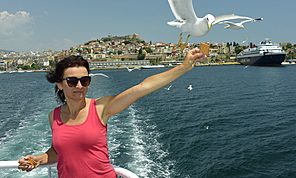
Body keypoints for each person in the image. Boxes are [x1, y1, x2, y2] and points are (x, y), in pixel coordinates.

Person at [18, 48, 206, 177]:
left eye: (85, 80)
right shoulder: (54, 116)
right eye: (72, 81)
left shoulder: (101, 108)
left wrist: (184, 67)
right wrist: (38, 159)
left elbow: (142, 88)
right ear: (59, 84)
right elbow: (60, 151)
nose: (79, 86)